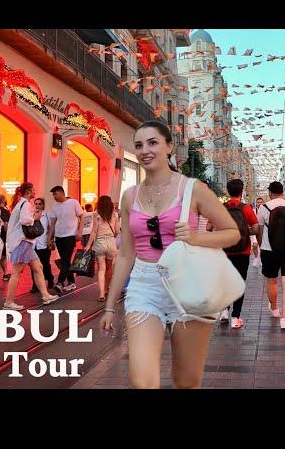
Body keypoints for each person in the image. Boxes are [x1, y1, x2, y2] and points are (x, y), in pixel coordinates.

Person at [99, 120, 240, 389]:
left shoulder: (193, 188)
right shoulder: (129, 196)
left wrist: (196, 237)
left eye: (153, 143)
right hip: (144, 286)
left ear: (169, 147)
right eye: (139, 145)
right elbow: (126, 254)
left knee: (186, 381)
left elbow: (232, 232)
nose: (144, 151)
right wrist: (109, 305)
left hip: (188, 286)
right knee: (141, 381)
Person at [257, 181, 285, 330]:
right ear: (283, 192)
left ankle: (275, 309)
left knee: (272, 281)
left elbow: (259, 230)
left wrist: (260, 246)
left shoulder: (263, 208)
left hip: (268, 249)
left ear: (270, 192)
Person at [6, 182, 59, 310]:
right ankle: (8, 302)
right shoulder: (26, 205)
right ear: (29, 191)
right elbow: (25, 220)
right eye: (34, 190)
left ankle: (45, 295)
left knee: (38, 267)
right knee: (17, 272)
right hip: (22, 242)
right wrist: (35, 217)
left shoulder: (21, 204)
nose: (35, 192)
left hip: (25, 242)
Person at [219, 178, 260, 328]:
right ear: (241, 192)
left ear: (228, 191)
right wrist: (244, 231)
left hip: (224, 251)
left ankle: (224, 311)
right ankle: (236, 317)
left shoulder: (221, 207)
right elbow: (256, 229)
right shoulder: (246, 208)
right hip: (243, 251)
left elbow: (210, 226)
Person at [47, 185, 84, 294]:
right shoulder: (55, 206)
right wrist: (50, 238)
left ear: (62, 193)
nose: (54, 196)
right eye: (53, 194)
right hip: (59, 237)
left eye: (55, 194)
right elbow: (53, 223)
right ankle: (72, 282)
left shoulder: (73, 202)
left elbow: (82, 217)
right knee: (65, 261)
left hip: (70, 236)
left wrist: (80, 232)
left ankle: (60, 282)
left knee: (66, 260)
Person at [85, 195, 120, 302]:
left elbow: (94, 231)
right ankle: (106, 289)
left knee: (101, 269)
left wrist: (88, 245)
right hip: (111, 243)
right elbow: (117, 231)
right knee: (109, 268)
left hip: (99, 243)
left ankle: (101, 293)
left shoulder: (96, 214)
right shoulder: (114, 215)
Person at [30, 198, 55, 293]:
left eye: (40, 204)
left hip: (44, 244)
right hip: (33, 245)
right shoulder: (31, 215)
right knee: (33, 266)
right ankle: (35, 285)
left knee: (45, 264)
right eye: (36, 203)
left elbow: (51, 228)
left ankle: (50, 278)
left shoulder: (47, 215)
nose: (38, 205)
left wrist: (51, 240)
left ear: (43, 205)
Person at [0, 195, 12, 281]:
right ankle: (4, 274)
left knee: (0, 256)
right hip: (2, 237)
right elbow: (6, 225)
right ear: (3, 201)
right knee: (2, 257)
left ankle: (5, 274)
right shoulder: (5, 212)